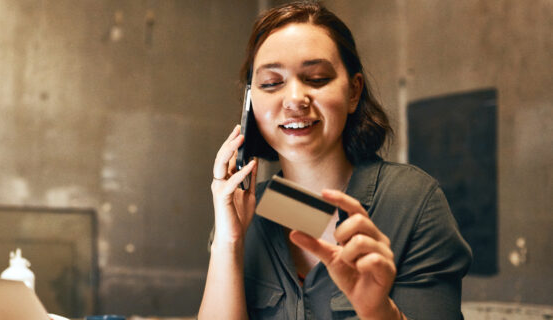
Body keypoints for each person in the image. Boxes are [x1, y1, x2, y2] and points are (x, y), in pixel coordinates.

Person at [198, 1, 472, 319]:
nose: (294, 99)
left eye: (316, 78)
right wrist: (228, 243)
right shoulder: (249, 211)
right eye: (271, 83)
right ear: (251, 104)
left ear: (353, 92)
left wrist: (378, 309)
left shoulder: (412, 202)